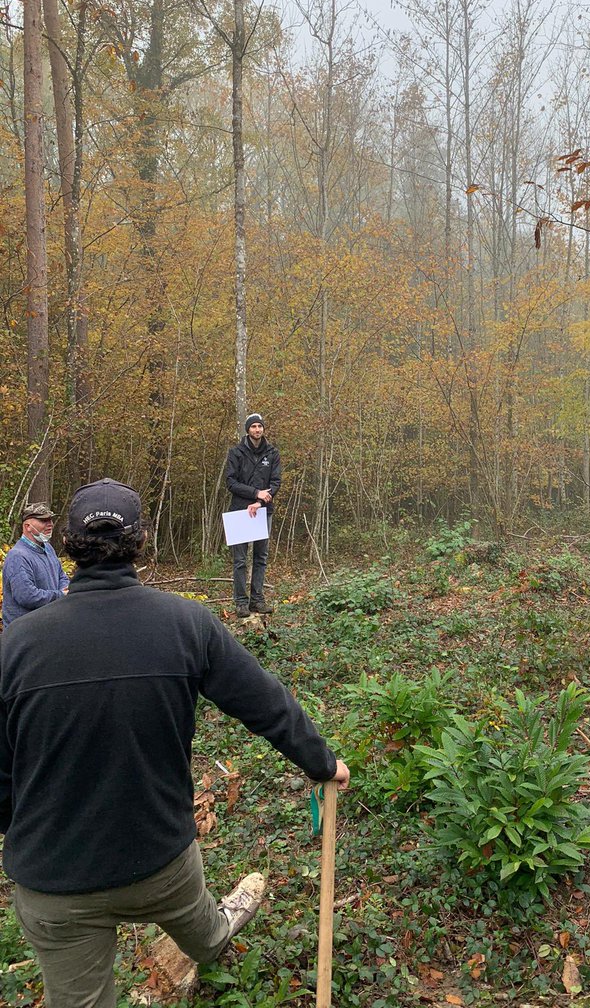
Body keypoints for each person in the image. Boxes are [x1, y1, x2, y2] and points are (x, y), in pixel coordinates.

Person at [0, 478, 350, 1008]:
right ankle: (213, 936)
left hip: (55, 882)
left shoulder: (15, 646)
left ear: (66, 544)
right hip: (160, 862)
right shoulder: (187, 624)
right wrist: (323, 763)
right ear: (143, 541)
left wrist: (21, 830)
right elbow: (266, 704)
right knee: (205, 932)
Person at [226, 413, 281, 617]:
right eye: (253, 426)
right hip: (240, 511)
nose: (257, 429)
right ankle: (241, 602)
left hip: (263, 511)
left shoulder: (272, 453)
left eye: (260, 426)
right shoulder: (236, 453)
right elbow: (231, 482)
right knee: (240, 560)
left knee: (261, 557)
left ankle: (257, 600)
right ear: (248, 430)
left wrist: (260, 501)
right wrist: (255, 493)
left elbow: (275, 483)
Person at [1, 501, 69, 629]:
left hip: (45, 629)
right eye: (44, 521)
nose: (50, 524)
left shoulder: (48, 548)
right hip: (22, 634)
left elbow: (62, 576)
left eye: (51, 520)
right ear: (27, 526)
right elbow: (26, 596)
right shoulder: (18, 556)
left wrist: (65, 589)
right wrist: (61, 595)